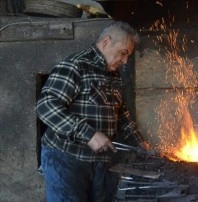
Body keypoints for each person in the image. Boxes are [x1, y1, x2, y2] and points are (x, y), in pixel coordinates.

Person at [36, 21, 150, 202]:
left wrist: (139, 143)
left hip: (100, 163)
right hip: (66, 159)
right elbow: (46, 106)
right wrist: (88, 134)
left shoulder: (113, 74)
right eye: (123, 53)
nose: (125, 60)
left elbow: (121, 114)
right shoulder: (75, 65)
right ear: (106, 41)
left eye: (128, 55)